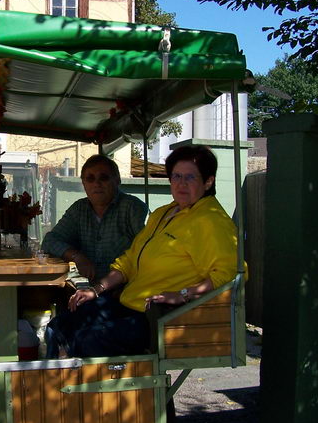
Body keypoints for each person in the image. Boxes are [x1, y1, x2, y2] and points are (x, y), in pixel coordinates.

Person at [47, 145, 242, 358]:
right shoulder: (164, 212)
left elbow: (229, 274)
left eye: (190, 177)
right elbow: (130, 260)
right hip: (129, 303)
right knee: (59, 324)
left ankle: (70, 386)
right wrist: (97, 289)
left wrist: (183, 295)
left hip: (158, 316)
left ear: (208, 181)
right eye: (176, 176)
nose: (181, 183)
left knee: (84, 340)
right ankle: (56, 384)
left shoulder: (211, 221)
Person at [41, 154, 148, 282]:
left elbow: (150, 250)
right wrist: (77, 257)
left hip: (126, 288)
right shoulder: (79, 209)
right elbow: (49, 241)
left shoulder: (133, 208)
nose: (97, 183)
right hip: (90, 289)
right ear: (84, 184)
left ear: (117, 180)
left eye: (104, 178)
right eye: (90, 178)